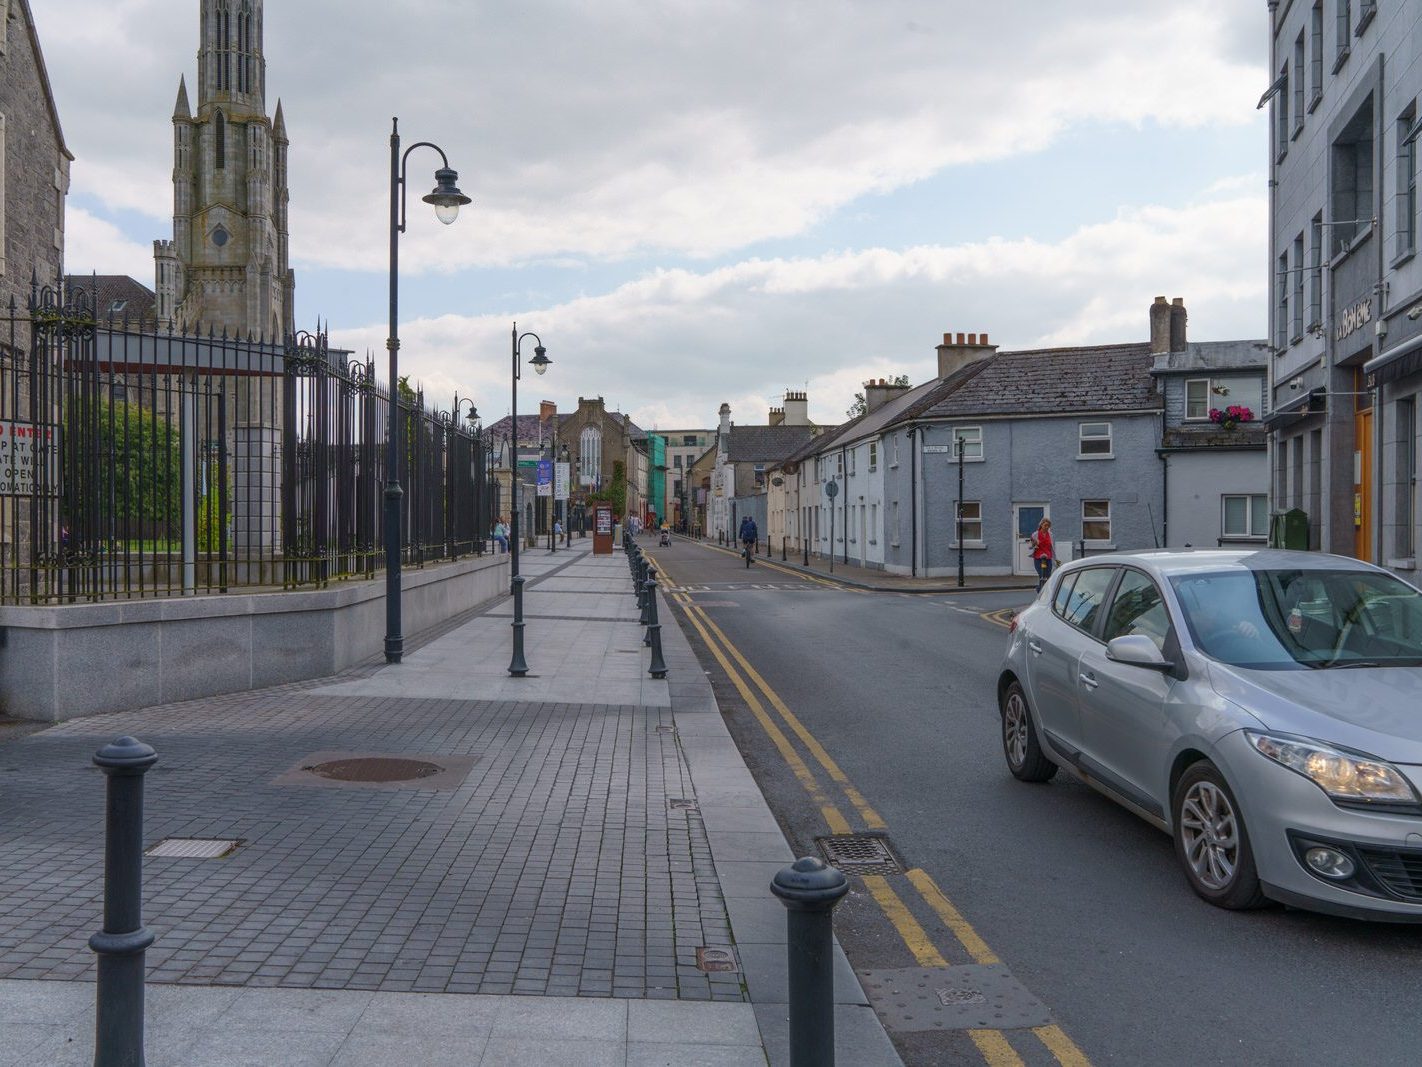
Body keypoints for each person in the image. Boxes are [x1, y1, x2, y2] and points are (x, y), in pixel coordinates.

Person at [1027, 517, 1055, 591]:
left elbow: (1052, 547)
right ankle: (1041, 590)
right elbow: (1029, 547)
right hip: (1038, 557)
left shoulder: (1051, 534)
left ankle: (1040, 589)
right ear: (1041, 525)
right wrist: (1034, 543)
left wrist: (1055, 558)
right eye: (1045, 525)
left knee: (1048, 575)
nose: (1047, 527)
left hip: (1048, 557)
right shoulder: (1035, 534)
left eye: (1048, 526)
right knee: (1041, 575)